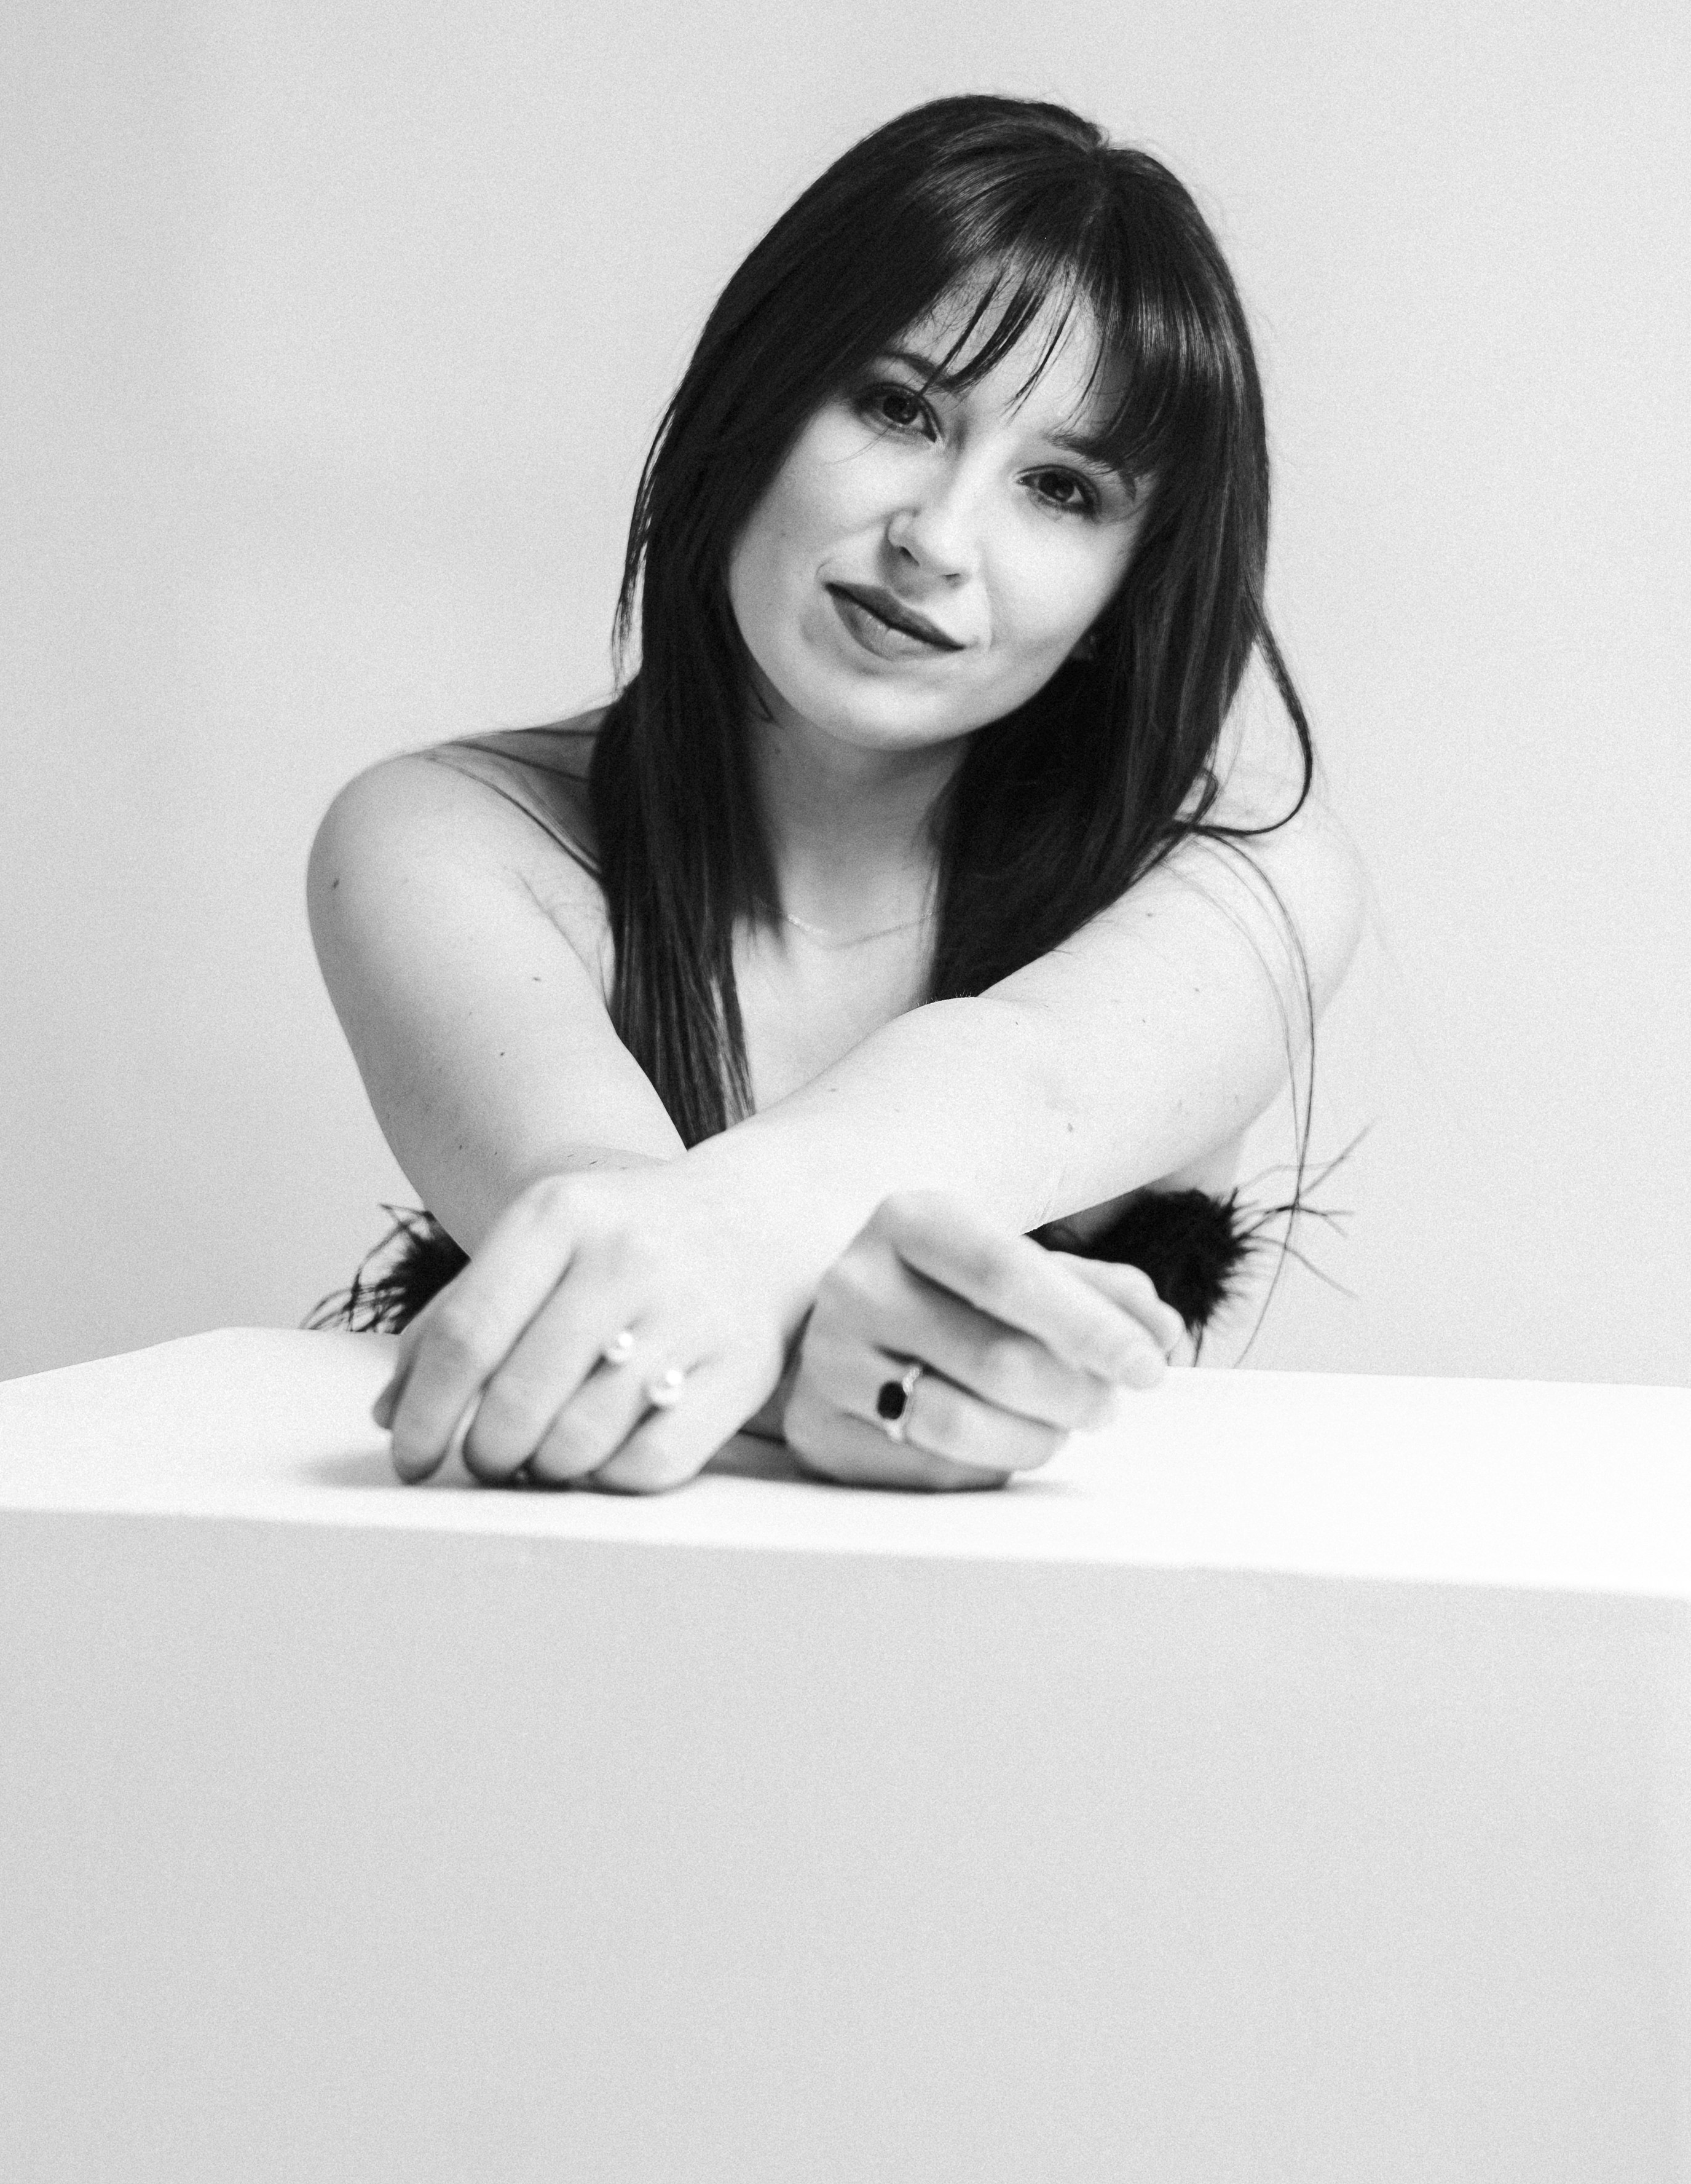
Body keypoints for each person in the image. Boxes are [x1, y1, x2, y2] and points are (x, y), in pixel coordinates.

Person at [308, 95, 1365, 1493]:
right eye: (895, 406)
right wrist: (847, 1352)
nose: (934, 537)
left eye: (1059, 487)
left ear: (1127, 585)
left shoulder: (1244, 879)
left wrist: (776, 1297)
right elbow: (603, 1221)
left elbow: (1017, 1078)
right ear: (752, 403)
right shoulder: (443, 840)